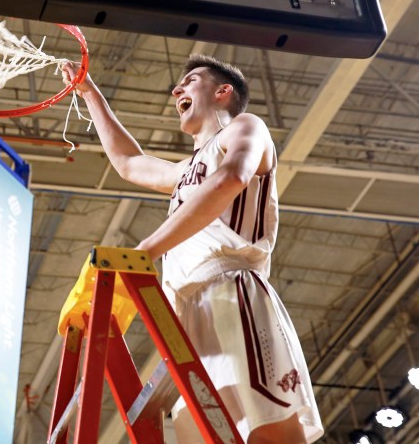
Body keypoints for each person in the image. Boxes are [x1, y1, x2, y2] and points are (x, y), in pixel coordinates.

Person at [61, 56, 323, 443]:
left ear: (222, 92)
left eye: (190, 81)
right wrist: (90, 92)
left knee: (271, 432)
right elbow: (130, 163)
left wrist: (147, 249)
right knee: (203, 435)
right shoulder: (187, 170)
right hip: (186, 311)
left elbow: (231, 178)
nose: (176, 90)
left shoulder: (245, 127)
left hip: (231, 291)